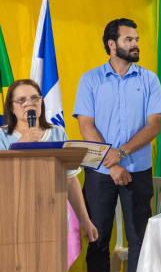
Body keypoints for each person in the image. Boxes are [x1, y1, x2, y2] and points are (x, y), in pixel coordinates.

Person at [73, 18, 161, 272]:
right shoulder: (90, 80)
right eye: (129, 39)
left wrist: (122, 154)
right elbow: (86, 125)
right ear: (111, 44)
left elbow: (154, 124)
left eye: (136, 39)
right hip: (99, 172)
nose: (135, 44)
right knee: (98, 239)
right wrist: (111, 164)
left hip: (138, 170)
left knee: (140, 240)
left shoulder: (149, 79)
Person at [0, 79, 98, 243]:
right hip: (13, 218)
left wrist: (85, 219)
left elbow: (70, 180)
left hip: (53, 216)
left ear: (41, 101)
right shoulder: (2, 136)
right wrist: (21, 145)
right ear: (11, 107)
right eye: (21, 100)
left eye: (35, 98)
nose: (29, 103)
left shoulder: (57, 133)